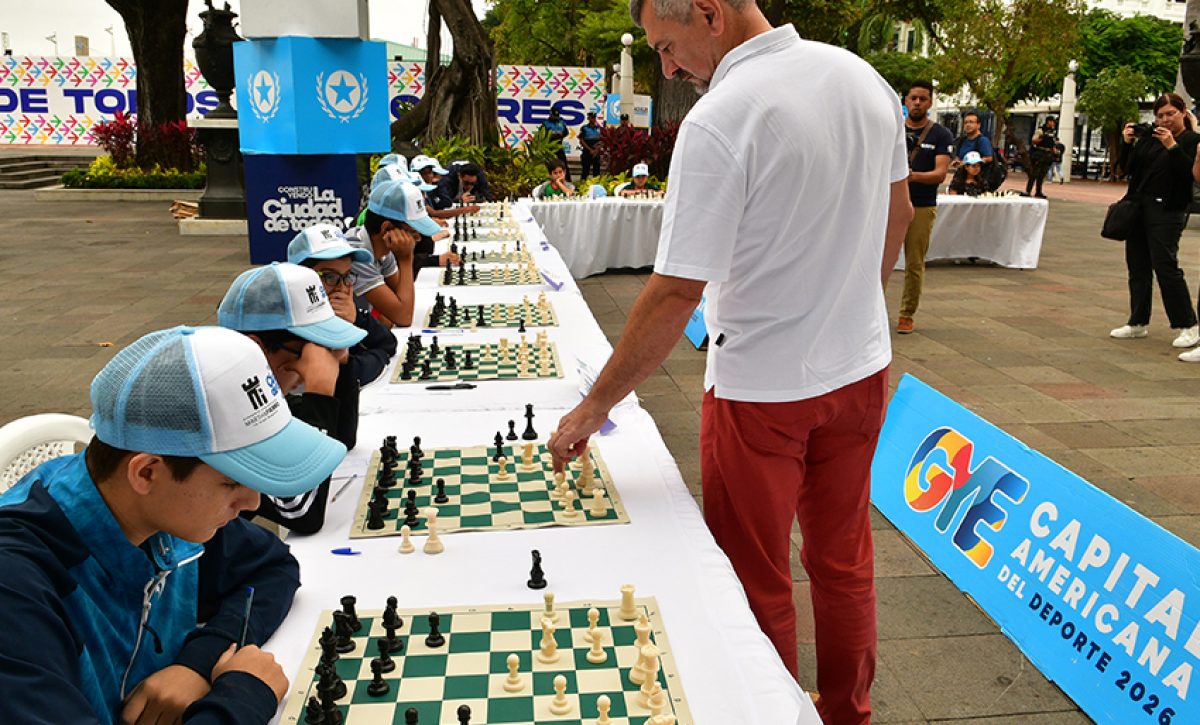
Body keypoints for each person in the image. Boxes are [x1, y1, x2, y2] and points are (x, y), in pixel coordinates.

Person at [547, 1, 912, 722]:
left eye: (667, 44)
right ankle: (847, 711)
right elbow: (897, 216)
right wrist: (846, 307)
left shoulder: (722, 118)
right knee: (844, 563)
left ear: (709, 12)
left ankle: (771, 710)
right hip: (861, 372)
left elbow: (676, 288)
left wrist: (596, 404)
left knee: (757, 575)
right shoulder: (864, 78)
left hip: (760, 391)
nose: (667, 66)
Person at [0, 325, 347, 723]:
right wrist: (243, 696)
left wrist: (198, 662)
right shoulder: (16, 593)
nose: (252, 502)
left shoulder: (150, 509)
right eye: (231, 481)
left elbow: (270, 568)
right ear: (146, 472)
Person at [217, 262, 367, 534]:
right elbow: (300, 511)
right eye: (307, 352)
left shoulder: (259, 392)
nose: (314, 363)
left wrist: (341, 368)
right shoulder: (226, 408)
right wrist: (319, 393)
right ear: (256, 348)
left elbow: (343, 440)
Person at [1110, 93, 1200, 355]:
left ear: (1183, 112)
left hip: (1168, 210)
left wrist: (1172, 146)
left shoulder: (1191, 141)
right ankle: (1137, 321)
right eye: (1160, 115)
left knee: (1165, 266)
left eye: (1170, 113)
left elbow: (1189, 176)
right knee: (1137, 265)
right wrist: (1127, 144)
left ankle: (1187, 324)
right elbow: (1125, 169)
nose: (1165, 120)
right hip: (1139, 207)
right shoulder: (1149, 139)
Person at [288, 223, 398, 401]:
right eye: (330, 276)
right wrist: (377, 357)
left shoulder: (338, 311)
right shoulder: (294, 325)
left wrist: (356, 319)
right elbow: (351, 374)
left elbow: (388, 344)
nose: (342, 287)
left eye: (347, 276)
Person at [897, 79, 954, 334]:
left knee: (914, 262)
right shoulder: (893, 129)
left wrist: (912, 176)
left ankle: (907, 313)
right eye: (913, 98)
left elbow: (940, 174)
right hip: (890, 204)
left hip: (921, 204)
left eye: (922, 98)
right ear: (905, 101)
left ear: (930, 102)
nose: (917, 103)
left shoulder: (940, 134)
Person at [344, 178, 438, 328]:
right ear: (386, 228)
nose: (419, 238)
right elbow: (404, 317)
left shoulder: (382, 251)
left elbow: (401, 301)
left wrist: (389, 316)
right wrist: (406, 258)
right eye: (414, 232)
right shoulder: (356, 253)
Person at [1024, 117, 1057, 198]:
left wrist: (1054, 151)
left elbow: (1053, 143)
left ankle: (1038, 191)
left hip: (1048, 154)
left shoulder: (1053, 132)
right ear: (1048, 122)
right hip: (1040, 153)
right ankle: (1028, 191)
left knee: (1042, 174)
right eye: (1052, 122)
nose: (1053, 124)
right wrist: (1042, 137)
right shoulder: (1040, 130)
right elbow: (1034, 140)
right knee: (1034, 173)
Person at [541, 107, 572, 181]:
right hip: (549, 147)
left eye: (557, 116)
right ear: (550, 114)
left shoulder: (561, 123)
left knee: (563, 164)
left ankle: (568, 181)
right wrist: (552, 135)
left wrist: (561, 135)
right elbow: (542, 134)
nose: (555, 118)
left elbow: (566, 132)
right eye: (554, 116)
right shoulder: (545, 123)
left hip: (559, 146)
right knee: (550, 164)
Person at [579, 111, 604, 178]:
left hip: (596, 152)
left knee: (596, 171)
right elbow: (581, 140)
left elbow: (602, 140)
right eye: (591, 118)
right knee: (585, 170)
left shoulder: (599, 128)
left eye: (594, 118)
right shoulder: (584, 128)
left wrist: (596, 150)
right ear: (588, 118)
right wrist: (590, 150)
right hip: (587, 151)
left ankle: (596, 186)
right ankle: (582, 184)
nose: (593, 119)